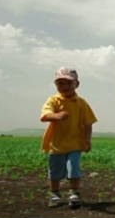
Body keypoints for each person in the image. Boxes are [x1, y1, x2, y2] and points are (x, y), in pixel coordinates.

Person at [40, 67, 98, 208]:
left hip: (75, 143)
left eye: (68, 83)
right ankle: (55, 193)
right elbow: (44, 116)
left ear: (76, 84)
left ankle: (74, 193)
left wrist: (87, 140)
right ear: (56, 85)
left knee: (74, 168)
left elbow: (88, 123)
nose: (64, 86)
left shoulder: (81, 103)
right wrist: (57, 116)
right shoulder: (53, 100)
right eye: (60, 83)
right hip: (56, 144)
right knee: (55, 171)